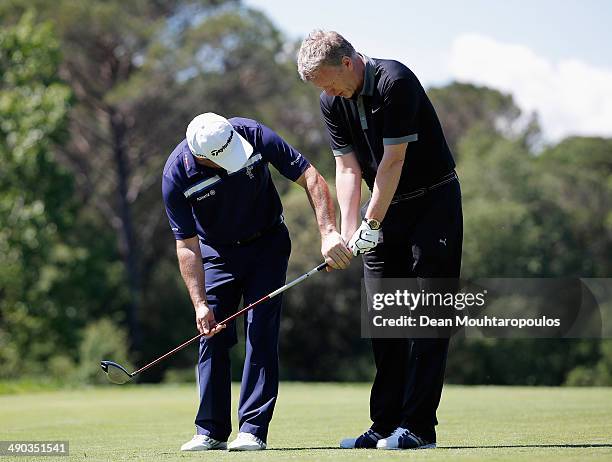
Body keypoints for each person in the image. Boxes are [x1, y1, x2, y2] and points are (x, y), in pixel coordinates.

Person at [297, 30, 463, 450]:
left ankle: (419, 428)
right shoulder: (331, 99)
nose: (328, 92)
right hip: (385, 208)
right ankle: (386, 423)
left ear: (348, 63)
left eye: (329, 81)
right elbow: (348, 168)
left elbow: (393, 160)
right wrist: (346, 232)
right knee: (384, 319)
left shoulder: (395, 81)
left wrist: (371, 222)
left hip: (432, 204)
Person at [162, 112, 351, 452]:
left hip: (267, 245)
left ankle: (252, 429)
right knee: (212, 333)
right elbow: (186, 244)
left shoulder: (251, 134)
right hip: (216, 253)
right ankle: (211, 430)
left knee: (260, 330)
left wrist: (328, 232)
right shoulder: (177, 173)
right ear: (201, 156)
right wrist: (199, 303)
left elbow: (310, 176)